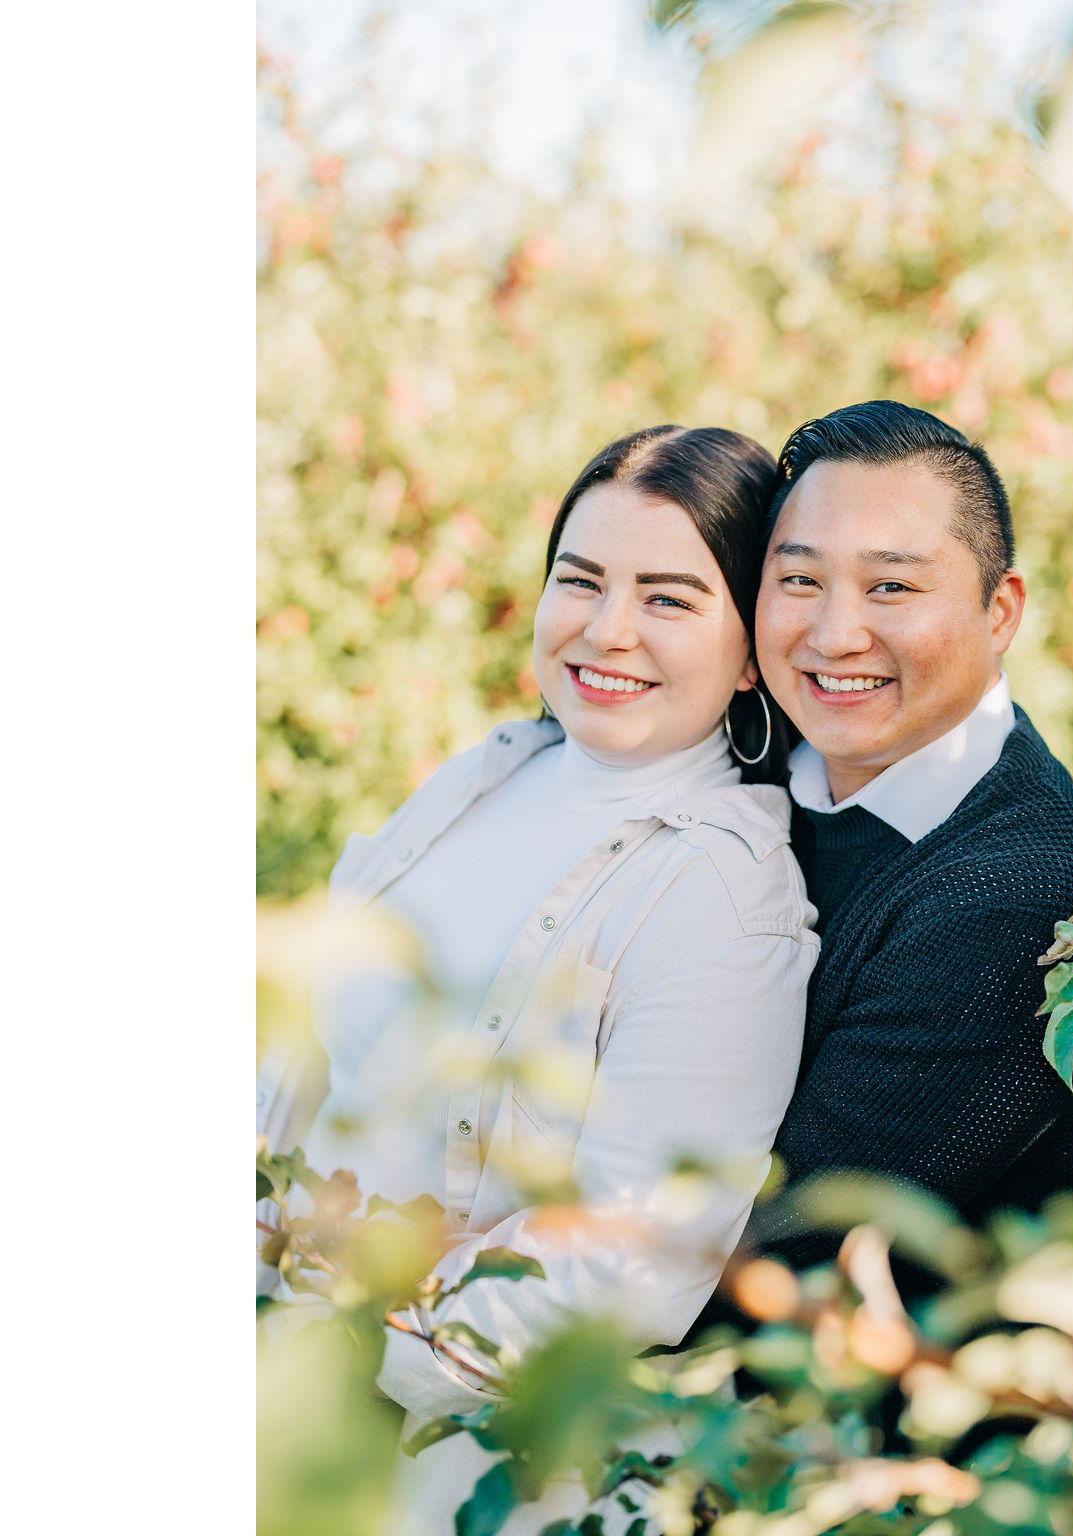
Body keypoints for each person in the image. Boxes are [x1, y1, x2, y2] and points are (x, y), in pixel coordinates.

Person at [257, 425, 818, 1533]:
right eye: (581, 579)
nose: (607, 629)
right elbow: (297, 1059)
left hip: (442, 1465)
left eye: (668, 599)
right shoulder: (489, 776)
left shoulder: (722, 893)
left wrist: (340, 1347)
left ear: (753, 648)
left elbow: (634, 1257)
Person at [738, 399, 1073, 1337]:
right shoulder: (760, 769)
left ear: (999, 611)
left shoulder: (1029, 900)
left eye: (891, 587)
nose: (835, 634)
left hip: (924, 1416)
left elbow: (785, 1245)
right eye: (799, 580)